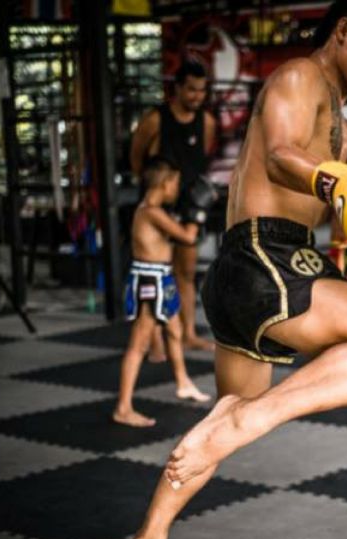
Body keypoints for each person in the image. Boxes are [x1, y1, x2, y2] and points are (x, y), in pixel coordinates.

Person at [121, 0, 347, 539]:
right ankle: (254, 418)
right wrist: (336, 182)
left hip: (240, 275)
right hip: (269, 259)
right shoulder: (299, 77)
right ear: (344, 31)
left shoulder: (342, 124)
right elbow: (284, 155)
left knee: (217, 422)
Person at [113, 157, 210, 428]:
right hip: (150, 279)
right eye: (176, 183)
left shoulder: (152, 210)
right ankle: (123, 407)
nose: (177, 189)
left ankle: (183, 383)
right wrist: (198, 210)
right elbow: (187, 237)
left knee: (175, 330)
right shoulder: (151, 212)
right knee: (138, 345)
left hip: (161, 278)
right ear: (165, 183)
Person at [130, 59, 218, 357]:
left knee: (186, 272)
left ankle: (189, 334)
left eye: (201, 91)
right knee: (156, 270)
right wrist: (154, 192)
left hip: (189, 205)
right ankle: (153, 340)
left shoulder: (206, 122)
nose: (197, 96)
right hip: (160, 206)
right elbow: (136, 156)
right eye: (191, 90)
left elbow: (200, 156)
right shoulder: (155, 119)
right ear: (177, 88)